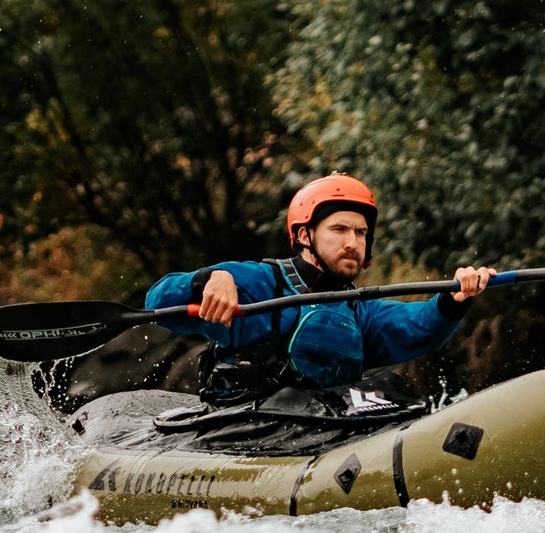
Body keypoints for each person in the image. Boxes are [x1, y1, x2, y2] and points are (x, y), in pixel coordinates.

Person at [145, 174, 496, 405]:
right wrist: (208, 279)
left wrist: (454, 299)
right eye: (339, 229)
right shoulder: (258, 282)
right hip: (246, 427)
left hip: (321, 431)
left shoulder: (359, 309)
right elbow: (157, 301)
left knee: (392, 390)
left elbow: (419, 325)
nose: (352, 242)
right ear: (304, 236)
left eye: (360, 234)